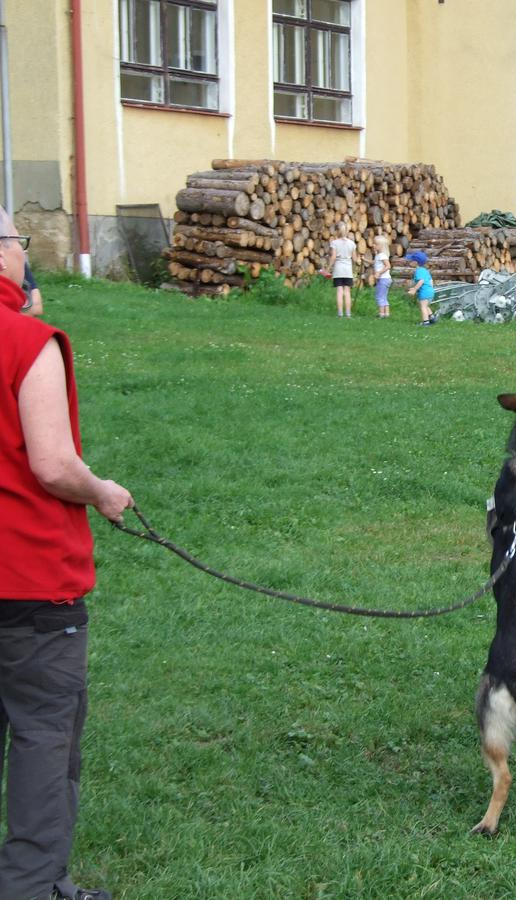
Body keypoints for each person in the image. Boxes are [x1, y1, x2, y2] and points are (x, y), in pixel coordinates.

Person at [0, 208, 133, 900]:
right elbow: (52, 464)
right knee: (44, 739)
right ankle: (32, 887)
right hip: (29, 583)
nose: (24, 254)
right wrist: (103, 492)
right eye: (18, 241)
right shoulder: (27, 341)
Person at [323, 221, 357, 318]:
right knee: (347, 292)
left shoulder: (334, 243)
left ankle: (340, 313)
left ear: (336, 231)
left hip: (338, 270)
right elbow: (355, 259)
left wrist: (328, 269)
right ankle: (348, 314)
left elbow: (333, 257)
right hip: (348, 271)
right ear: (346, 231)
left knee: (339, 291)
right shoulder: (352, 244)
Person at [404, 250, 437, 325]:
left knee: (423, 307)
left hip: (424, 292)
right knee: (426, 305)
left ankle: (425, 322)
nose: (409, 262)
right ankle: (432, 318)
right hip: (430, 291)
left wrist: (414, 290)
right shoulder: (425, 270)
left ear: (415, 262)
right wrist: (430, 289)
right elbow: (430, 280)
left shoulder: (418, 271)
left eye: (411, 260)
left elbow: (421, 281)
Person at [372, 234, 393, 318]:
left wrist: (379, 273)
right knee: (384, 297)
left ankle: (381, 314)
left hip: (383, 279)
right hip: (385, 279)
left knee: (379, 296)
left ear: (381, 246)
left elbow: (388, 266)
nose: (373, 245)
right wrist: (364, 260)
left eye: (375, 244)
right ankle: (386, 314)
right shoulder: (378, 255)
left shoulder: (382, 255)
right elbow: (374, 262)